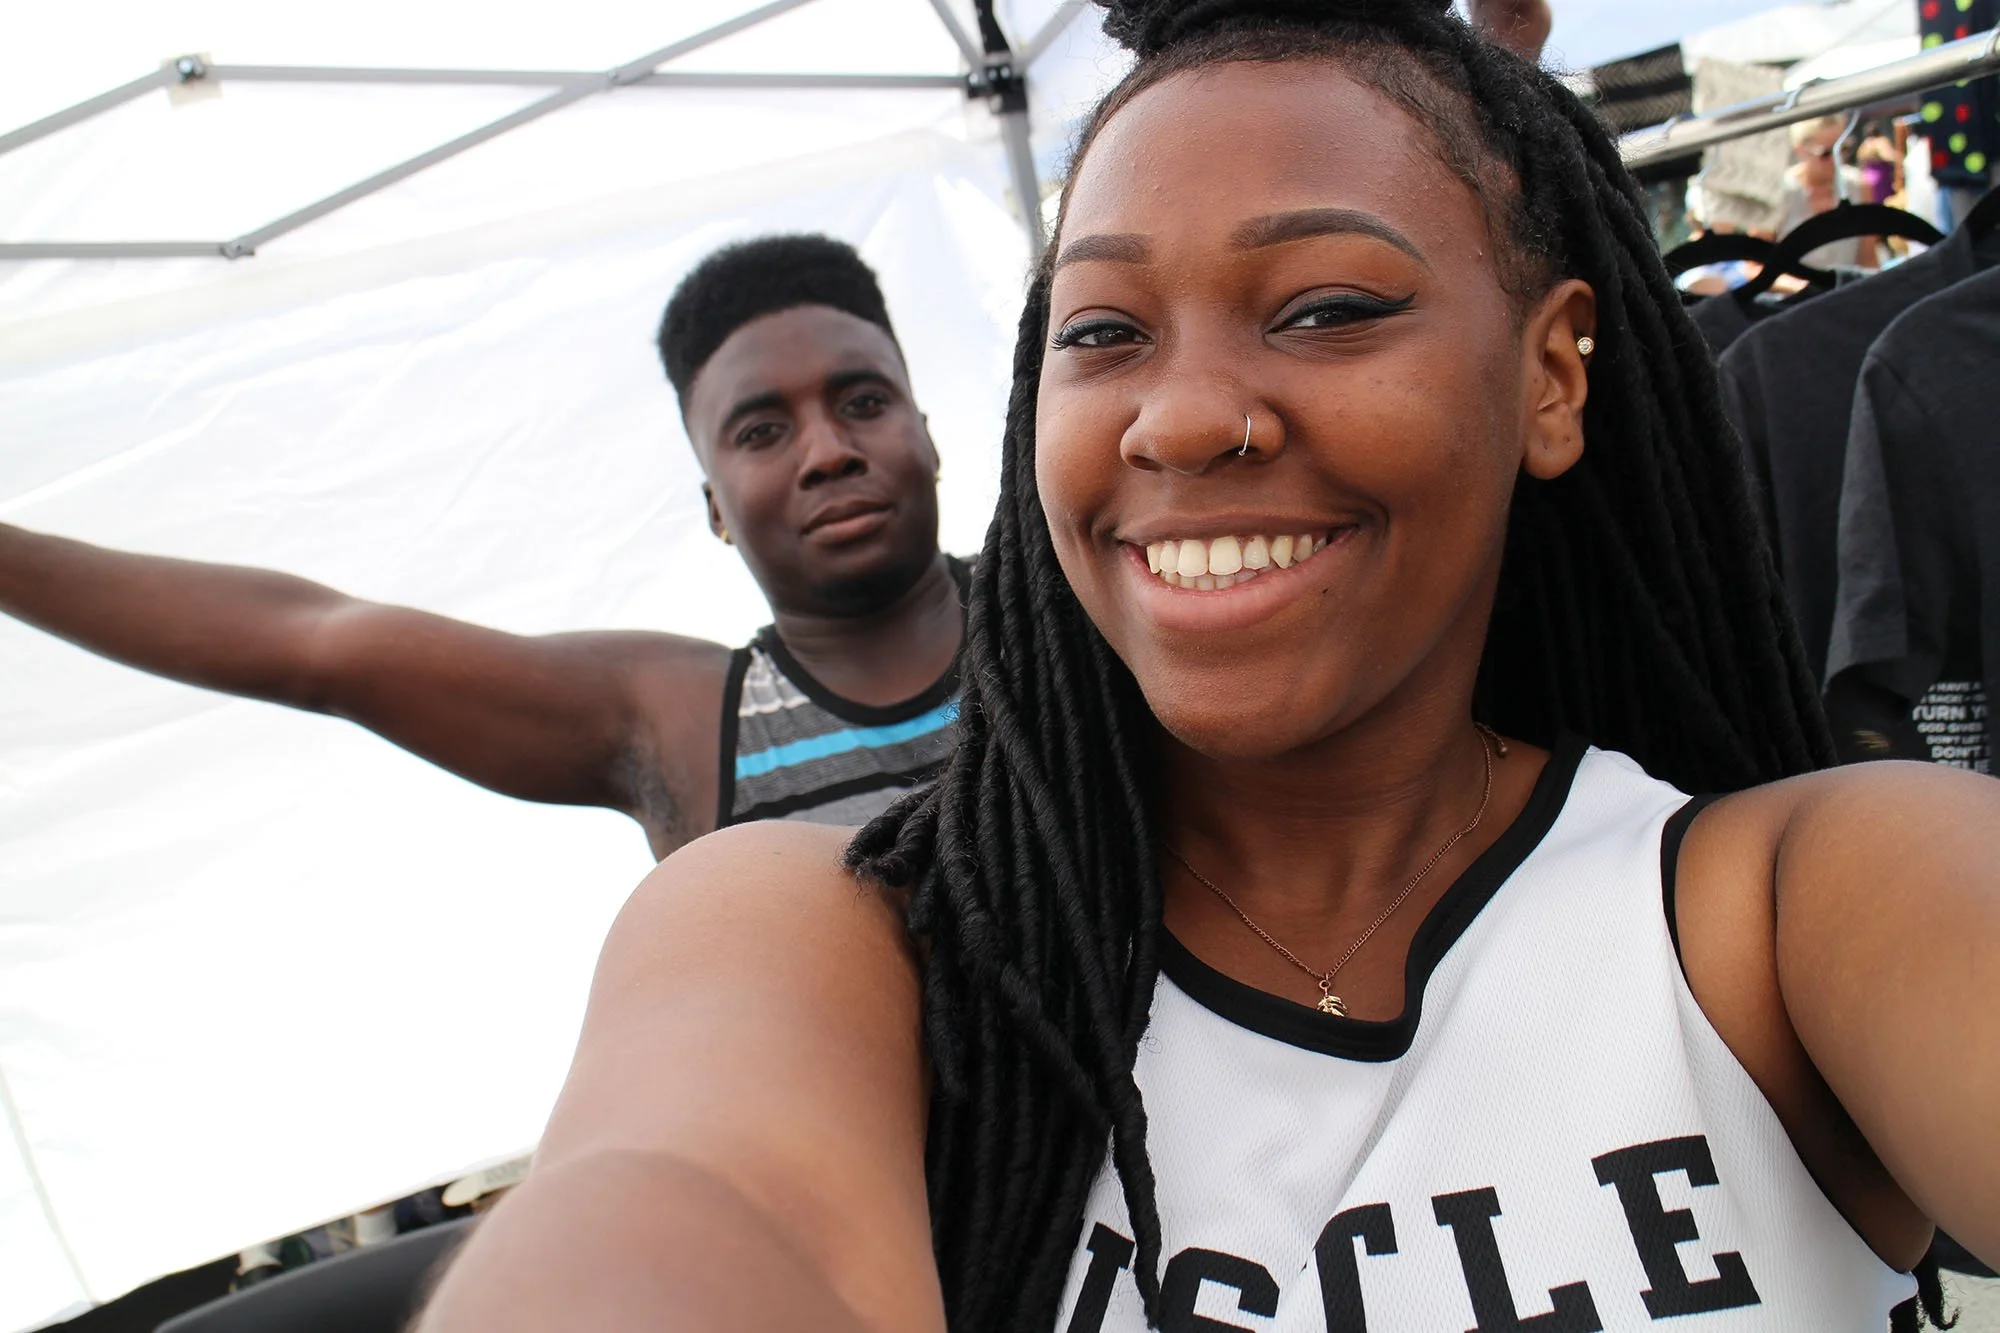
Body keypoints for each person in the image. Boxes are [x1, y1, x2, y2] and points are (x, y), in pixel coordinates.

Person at [414, 1, 2000, 1330]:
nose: (1181, 418)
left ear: (1552, 373)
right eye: (1103, 334)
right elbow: (695, 1205)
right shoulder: (838, 952)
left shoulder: (1792, 908)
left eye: (1323, 307)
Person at [0, 235, 967, 859]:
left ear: (925, 431)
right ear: (714, 504)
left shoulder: (1076, 606)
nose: (828, 452)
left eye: (863, 403)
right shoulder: (674, 721)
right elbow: (316, 641)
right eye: (762, 432)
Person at [1779, 115, 1879, 272]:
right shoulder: (1780, 192)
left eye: (1843, 149)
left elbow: (1868, 259)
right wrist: (1805, 288)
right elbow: (1754, 266)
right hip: (1794, 295)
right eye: (1826, 153)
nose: (1837, 159)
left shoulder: (1858, 186)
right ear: (1800, 151)